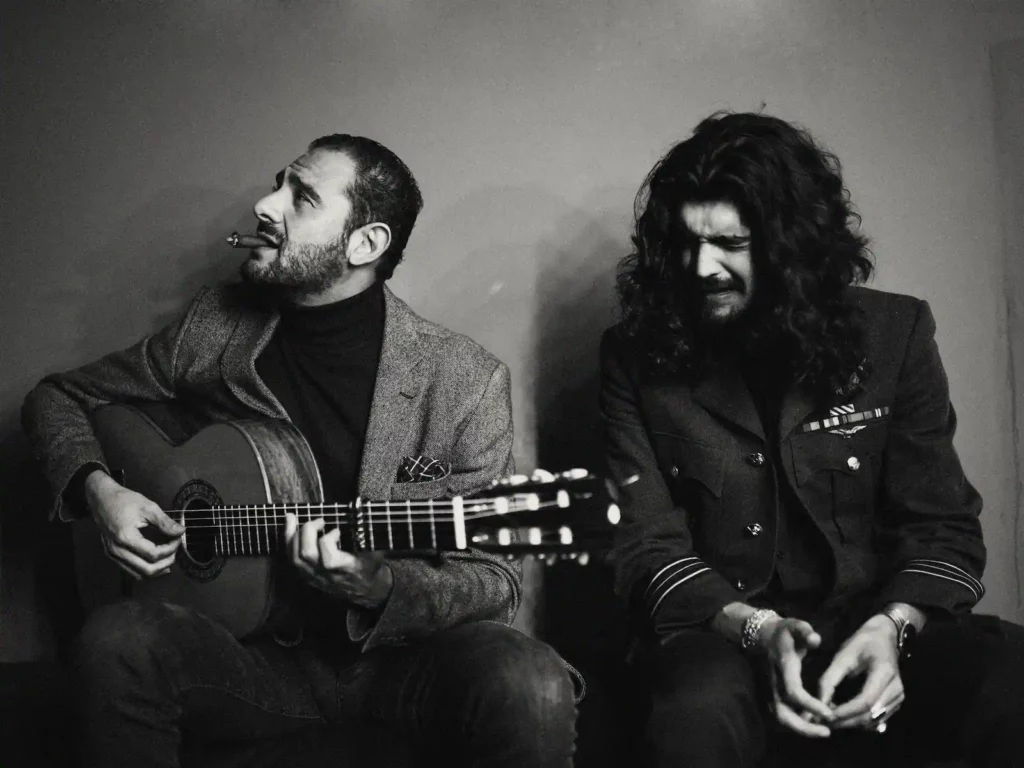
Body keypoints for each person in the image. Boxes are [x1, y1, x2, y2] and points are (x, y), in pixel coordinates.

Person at [22, 134, 577, 768]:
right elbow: (56, 399)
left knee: (529, 681)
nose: (265, 203)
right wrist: (102, 490)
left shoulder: (463, 379)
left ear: (365, 244)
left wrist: (383, 587)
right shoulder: (215, 327)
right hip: (252, 662)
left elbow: (495, 579)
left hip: (402, 667)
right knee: (119, 638)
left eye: (302, 197)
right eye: (277, 183)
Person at [599, 111, 1024, 767]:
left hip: (874, 618)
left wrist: (894, 628)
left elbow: (941, 524)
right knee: (694, 713)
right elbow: (644, 547)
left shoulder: (897, 333)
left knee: (1008, 678)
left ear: (790, 247)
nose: (701, 267)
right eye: (685, 244)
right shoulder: (633, 357)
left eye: (731, 244)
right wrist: (757, 631)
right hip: (726, 631)